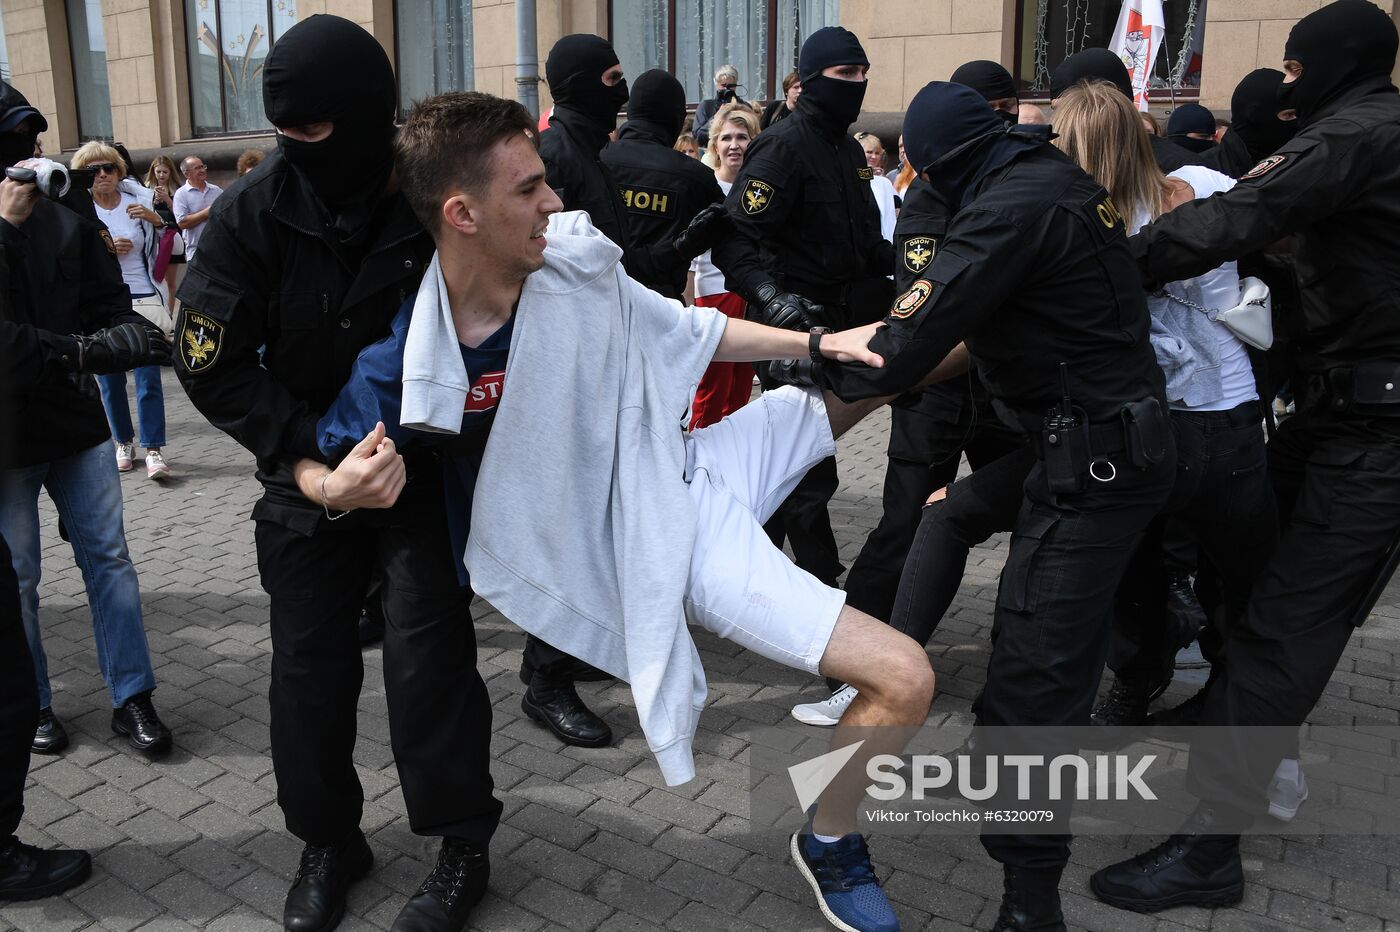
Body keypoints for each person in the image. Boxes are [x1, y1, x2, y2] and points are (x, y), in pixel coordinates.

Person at [318, 89, 935, 932]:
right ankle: (832, 840)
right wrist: (335, 487)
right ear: (461, 213)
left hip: (695, 458)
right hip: (672, 538)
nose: (555, 202)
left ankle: (1029, 310)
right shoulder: (409, 367)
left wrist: (822, 343)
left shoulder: (570, 267)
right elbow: (330, 464)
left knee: (901, 360)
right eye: (529, 189)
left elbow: (690, 329)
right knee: (905, 678)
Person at [172, 17, 502, 932]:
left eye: (319, 129)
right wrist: (313, 459)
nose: (299, 148)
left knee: (429, 668)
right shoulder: (252, 212)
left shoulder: (439, 195)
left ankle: (461, 845)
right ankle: (329, 842)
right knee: (306, 678)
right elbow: (210, 362)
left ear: (368, 117)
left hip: (420, 473)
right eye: (286, 132)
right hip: (308, 475)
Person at [825, 81, 1176, 931]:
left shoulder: (999, 212)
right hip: (1108, 450)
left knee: (1031, 691)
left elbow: (909, 342)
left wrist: (804, 386)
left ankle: (1031, 907)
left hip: (1089, 469)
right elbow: (978, 334)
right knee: (1030, 610)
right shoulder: (1055, 181)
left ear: (937, 170)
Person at [1089, 1, 1400, 914]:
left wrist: (1106, 264)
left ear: (1333, 66)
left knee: (1284, 624)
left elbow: (1237, 218)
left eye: (1295, 71)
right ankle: (1242, 737)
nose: (1285, 88)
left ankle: (1210, 847)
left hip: (1376, 434)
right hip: (1340, 411)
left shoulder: (1356, 134)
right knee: (1255, 587)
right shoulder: (1368, 130)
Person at [793, 59, 1025, 726]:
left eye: (1009, 111)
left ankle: (1013, 663)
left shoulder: (1014, 186)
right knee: (903, 523)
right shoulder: (932, 196)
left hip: (1003, 389)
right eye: (993, 112)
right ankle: (859, 670)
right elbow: (927, 317)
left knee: (1027, 520)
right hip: (937, 389)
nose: (1003, 124)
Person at [1048, 81, 1278, 735]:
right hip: (1229, 412)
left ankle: (1141, 679)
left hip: (1150, 424)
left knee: (1137, 569)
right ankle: (1238, 702)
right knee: (1238, 575)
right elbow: (1277, 239)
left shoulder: (1084, 216)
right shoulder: (1205, 185)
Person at [529, 34, 728, 746]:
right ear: (583, 83)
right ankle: (545, 679)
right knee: (578, 527)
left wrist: (678, 248)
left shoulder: (591, 153)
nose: (623, 88)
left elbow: (616, 264)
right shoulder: (557, 158)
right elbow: (554, 275)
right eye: (612, 76)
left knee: (600, 520)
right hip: (572, 370)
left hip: (603, 361)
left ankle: (566, 654)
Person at [0, 82, 175, 762]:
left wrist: (136, 333)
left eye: (34, 141)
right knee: (17, 576)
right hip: (9, 439)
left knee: (109, 559)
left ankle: (132, 695)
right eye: (15, 143)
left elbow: (107, 303)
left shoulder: (67, 212)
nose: (30, 156)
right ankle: (33, 700)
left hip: (75, 423)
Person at [712, 26, 895, 593]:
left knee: (795, 458)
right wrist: (774, 301)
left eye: (864, 73)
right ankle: (812, 582)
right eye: (846, 75)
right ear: (814, 79)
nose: (858, 84)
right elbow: (735, 239)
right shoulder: (783, 147)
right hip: (793, 328)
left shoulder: (845, 150)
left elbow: (863, 242)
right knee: (804, 463)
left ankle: (746, 570)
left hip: (841, 323)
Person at [73, 141, 174, 481]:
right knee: (109, 378)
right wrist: (106, 249)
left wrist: (156, 219)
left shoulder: (138, 202)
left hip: (143, 295)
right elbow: (70, 256)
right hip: (104, 302)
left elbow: (171, 235)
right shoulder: (79, 209)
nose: (102, 174)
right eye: (94, 170)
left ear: (119, 171)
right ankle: (123, 442)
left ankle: (154, 448)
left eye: (109, 168)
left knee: (148, 376)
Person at [600, 69, 725, 300]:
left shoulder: (594, 161)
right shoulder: (695, 177)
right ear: (676, 117)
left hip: (598, 303)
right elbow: (732, 244)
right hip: (661, 308)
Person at [688, 103, 760, 429]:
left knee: (741, 391)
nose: (734, 145)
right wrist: (690, 310)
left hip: (752, 297)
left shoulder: (760, 188)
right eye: (727, 137)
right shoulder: (704, 186)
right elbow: (690, 255)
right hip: (712, 297)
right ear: (715, 144)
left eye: (742, 137)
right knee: (711, 391)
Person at [1050, 48, 1203, 172]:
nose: (1058, 121)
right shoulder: (1053, 166)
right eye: (1056, 111)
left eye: (1066, 110)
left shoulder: (1185, 173)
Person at [1200, 68, 1298, 179]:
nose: (1297, 122)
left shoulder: (1294, 165)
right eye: (1289, 115)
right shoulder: (1204, 172)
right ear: (1256, 117)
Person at [143, 155, 184, 315]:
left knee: (170, 280)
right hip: (153, 239)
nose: (161, 175)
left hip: (171, 239)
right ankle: (158, 312)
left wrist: (168, 199)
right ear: (153, 171)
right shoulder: (145, 189)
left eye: (165, 172)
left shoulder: (177, 190)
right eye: (158, 171)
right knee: (154, 278)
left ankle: (170, 313)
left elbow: (180, 215)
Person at [172, 154, 221, 261]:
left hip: (219, 249)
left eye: (203, 166)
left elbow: (225, 215)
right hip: (196, 252)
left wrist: (194, 217)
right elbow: (183, 223)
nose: (202, 170)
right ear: (186, 174)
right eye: (197, 168)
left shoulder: (216, 190)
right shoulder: (181, 194)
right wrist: (207, 212)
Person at [855, 132, 898, 241]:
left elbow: (897, 210)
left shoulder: (885, 183)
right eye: (869, 152)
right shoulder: (850, 179)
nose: (874, 157)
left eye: (877, 153)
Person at [692, 64, 747, 148]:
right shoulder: (706, 106)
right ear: (716, 84)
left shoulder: (743, 106)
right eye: (723, 85)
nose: (726, 89)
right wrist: (716, 117)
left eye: (730, 86)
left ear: (736, 85)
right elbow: (698, 138)